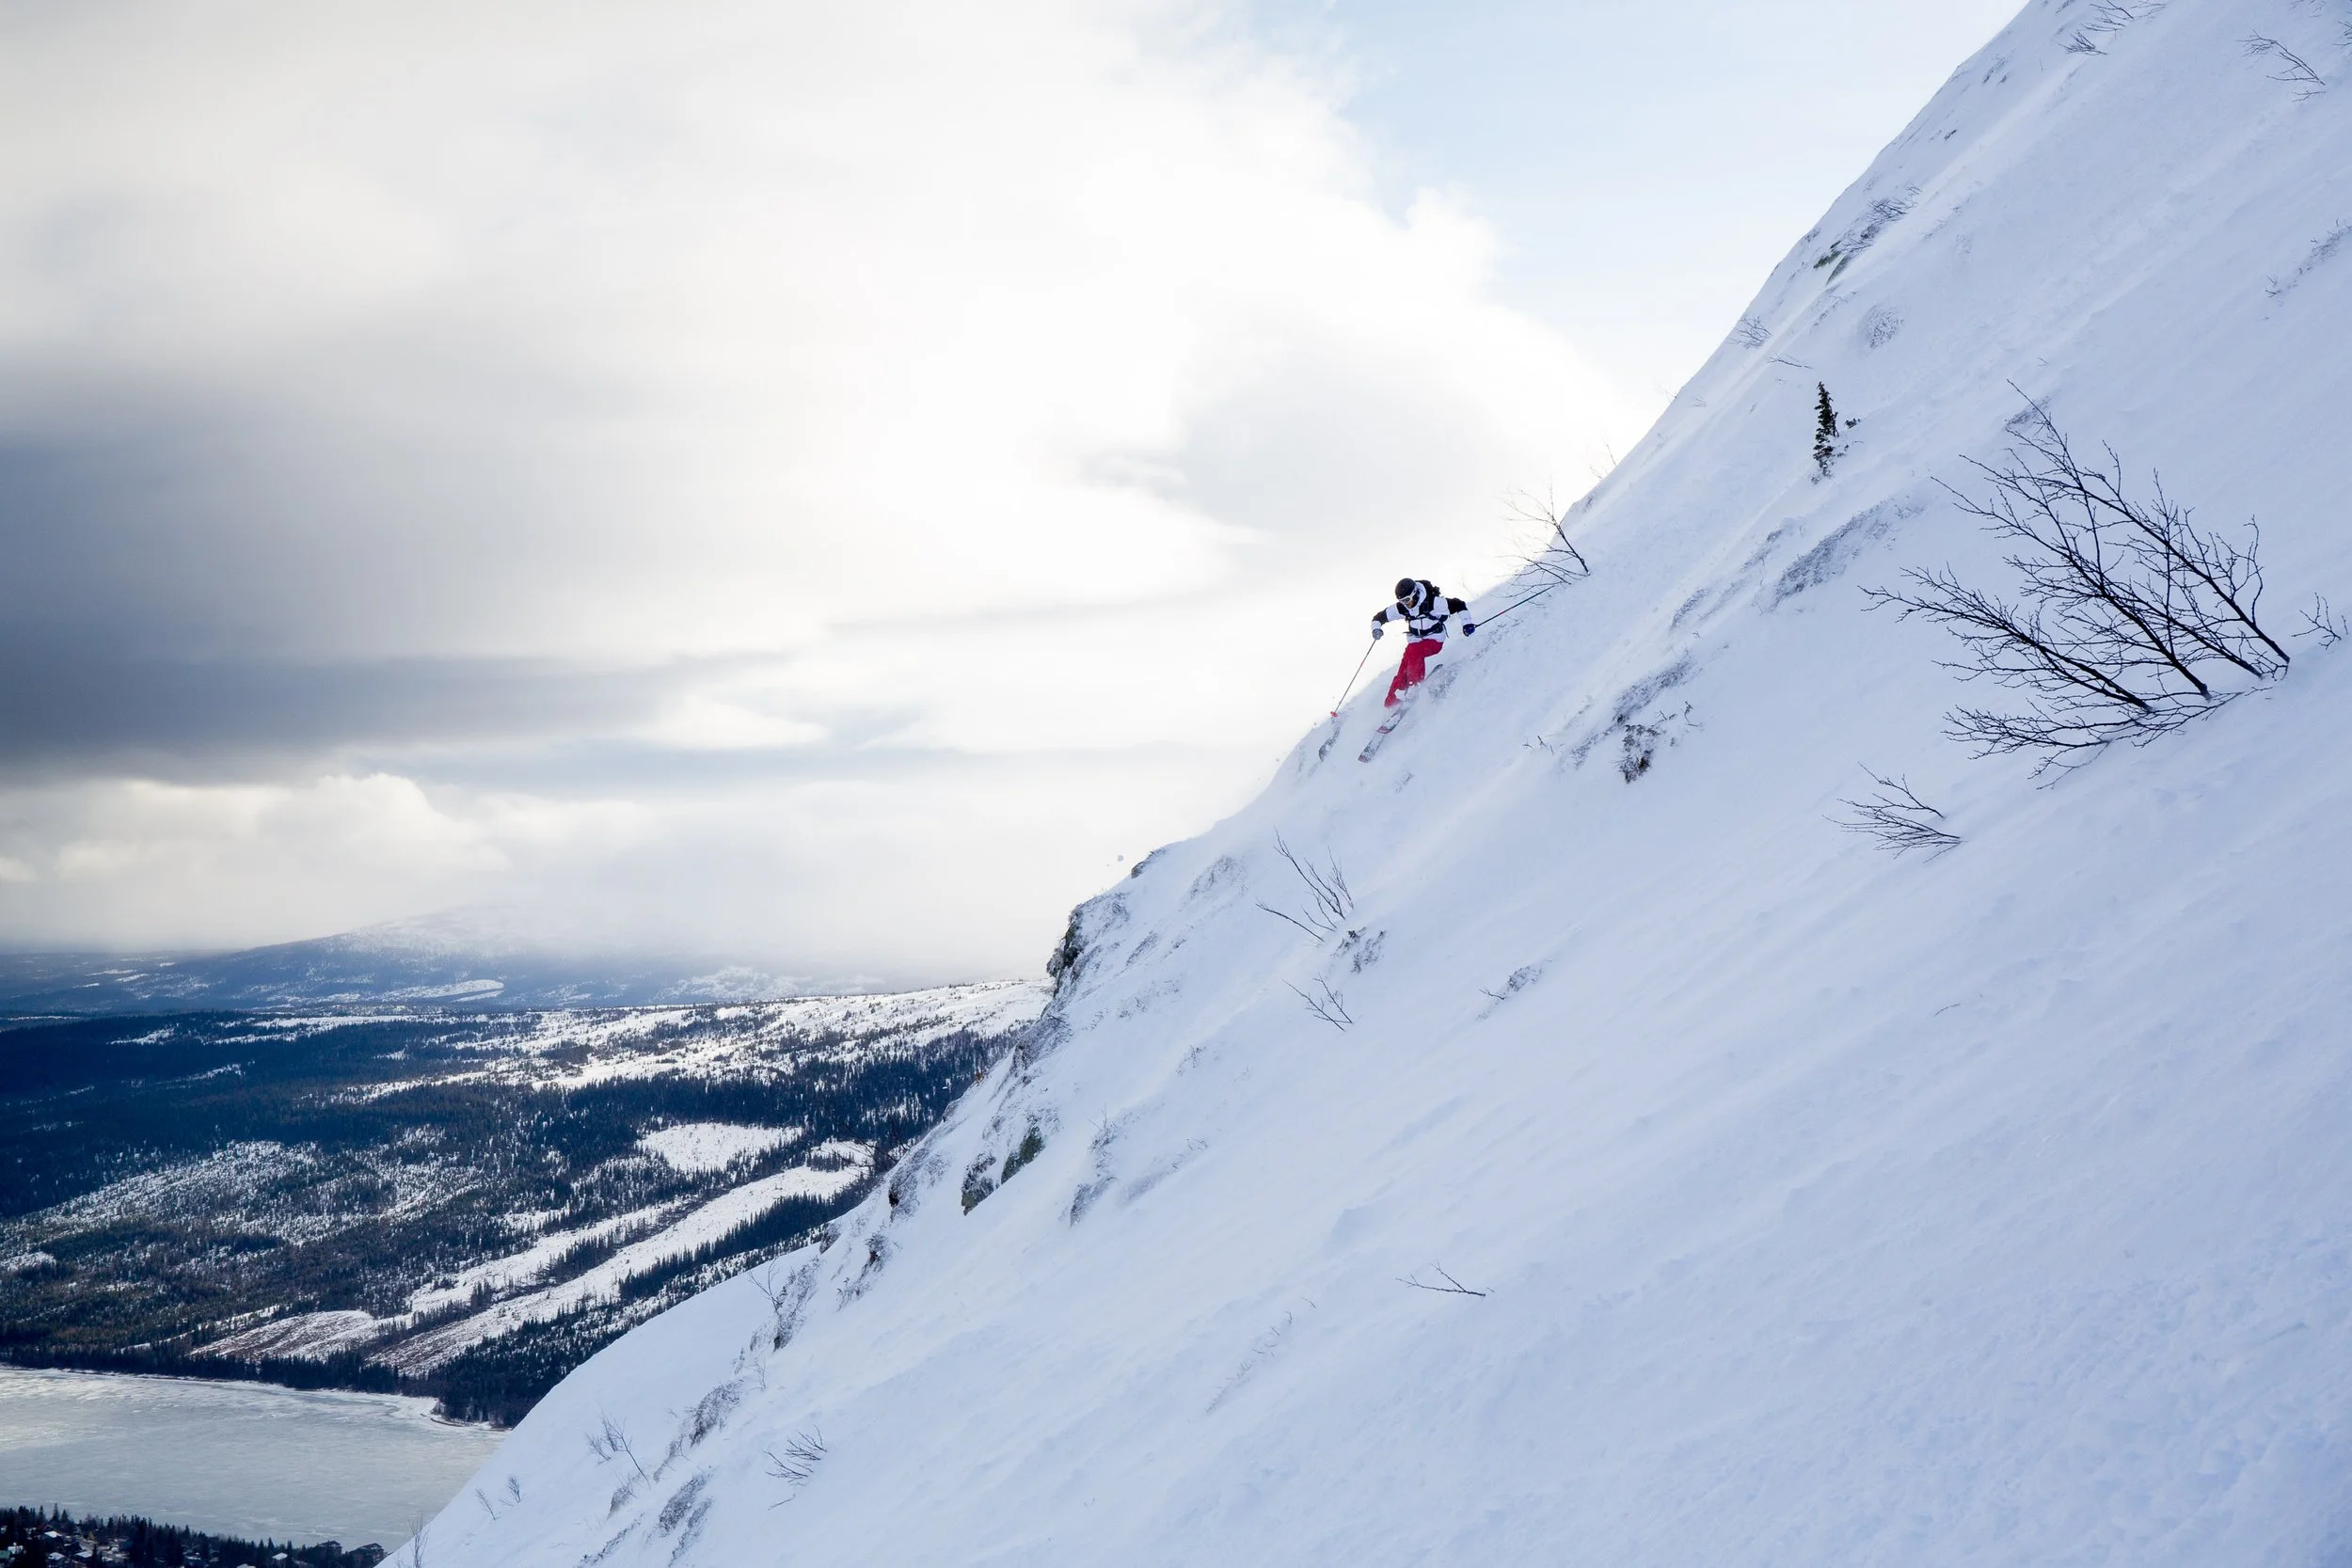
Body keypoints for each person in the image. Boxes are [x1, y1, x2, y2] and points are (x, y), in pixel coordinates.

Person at [1371, 578, 1474, 706]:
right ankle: (1392, 699)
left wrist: (1467, 624)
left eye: (1407, 600)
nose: (1405, 604)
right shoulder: (1402, 608)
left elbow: (1459, 605)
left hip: (1434, 640)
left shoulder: (1434, 602)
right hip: (1415, 640)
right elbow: (1379, 617)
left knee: (1414, 651)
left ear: (1415, 594)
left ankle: (1413, 688)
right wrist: (1376, 629)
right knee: (1407, 659)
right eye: (1401, 601)